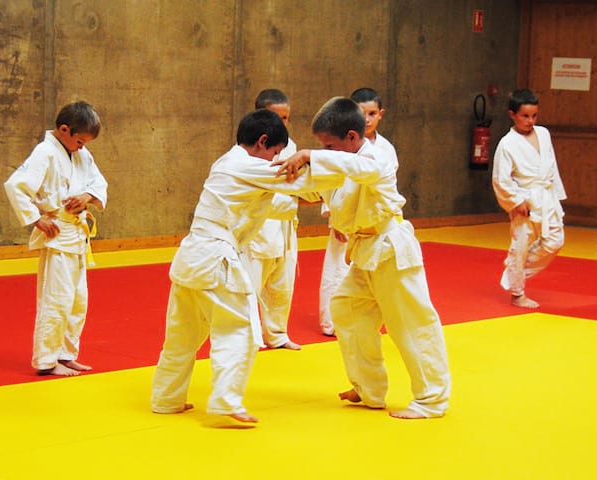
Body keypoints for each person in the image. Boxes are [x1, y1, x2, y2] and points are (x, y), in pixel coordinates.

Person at [151, 107, 399, 427]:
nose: (280, 160)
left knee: (182, 334)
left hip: (190, 259)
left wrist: (316, 169)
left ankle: (166, 398)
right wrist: (325, 160)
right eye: (278, 153)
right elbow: (300, 179)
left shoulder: (227, 163)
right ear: (263, 142)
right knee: (239, 330)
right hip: (215, 259)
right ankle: (226, 401)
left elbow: (296, 190)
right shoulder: (248, 166)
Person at [277, 97, 450, 419]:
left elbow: (358, 171)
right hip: (367, 252)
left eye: (329, 145)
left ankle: (432, 399)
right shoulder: (341, 162)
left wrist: (311, 155)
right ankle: (369, 389)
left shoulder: (376, 158)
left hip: (392, 249)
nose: (325, 150)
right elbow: (319, 188)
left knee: (411, 324)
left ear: (352, 138)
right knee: (347, 309)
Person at [4, 101, 107, 377]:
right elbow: (16, 186)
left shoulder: (82, 155)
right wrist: (36, 219)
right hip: (58, 233)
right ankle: (47, 360)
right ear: (63, 129)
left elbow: (100, 184)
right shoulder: (45, 152)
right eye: (80, 140)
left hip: (77, 235)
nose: (83, 147)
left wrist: (88, 197)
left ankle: (66, 353)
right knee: (56, 299)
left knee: (78, 300)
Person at [318, 87, 398, 336]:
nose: (367, 119)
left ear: (380, 114)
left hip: (372, 223)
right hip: (344, 218)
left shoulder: (384, 150)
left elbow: (382, 183)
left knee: (372, 280)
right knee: (337, 272)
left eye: (372, 113)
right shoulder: (337, 146)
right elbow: (330, 181)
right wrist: (335, 217)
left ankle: (369, 319)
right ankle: (330, 322)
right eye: (361, 113)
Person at [492, 88, 567, 309]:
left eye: (534, 115)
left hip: (546, 196)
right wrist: (515, 201)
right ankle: (517, 294)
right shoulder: (507, 144)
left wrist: (557, 196)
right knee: (521, 246)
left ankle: (514, 272)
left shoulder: (543, 134)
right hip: (525, 199)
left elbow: (551, 166)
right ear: (512, 114)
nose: (530, 121)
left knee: (555, 241)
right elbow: (500, 179)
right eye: (525, 116)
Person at [246, 89, 301, 350]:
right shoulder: (249, 147)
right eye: (274, 117)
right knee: (251, 284)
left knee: (282, 284)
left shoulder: (292, 147)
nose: (281, 123)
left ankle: (277, 334)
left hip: (286, 225)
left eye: (285, 118)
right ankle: (250, 338)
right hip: (260, 226)